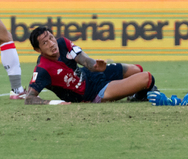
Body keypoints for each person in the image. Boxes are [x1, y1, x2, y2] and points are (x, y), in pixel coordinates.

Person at [25, 27, 156, 104]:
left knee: (137, 69)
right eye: (45, 43)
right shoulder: (42, 69)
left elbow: (83, 59)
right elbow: (29, 98)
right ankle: (139, 95)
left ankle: (137, 94)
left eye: (51, 38)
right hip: (93, 93)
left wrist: (94, 66)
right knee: (147, 78)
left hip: (92, 74)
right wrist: (54, 103)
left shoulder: (63, 43)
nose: (52, 44)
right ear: (38, 50)